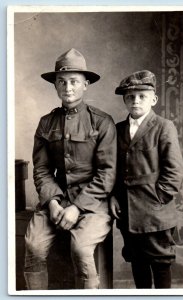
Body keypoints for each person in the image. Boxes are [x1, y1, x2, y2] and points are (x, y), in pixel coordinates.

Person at [24, 48, 117, 290]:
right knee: (33, 245)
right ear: (55, 85)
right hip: (56, 200)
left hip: (93, 203)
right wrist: (54, 203)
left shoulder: (101, 122)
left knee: (80, 247)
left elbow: (107, 174)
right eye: (61, 82)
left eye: (74, 81)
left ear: (85, 84)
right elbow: (42, 170)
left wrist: (77, 207)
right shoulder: (46, 123)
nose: (68, 87)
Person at [110, 70, 183, 289]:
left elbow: (174, 172)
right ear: (124, 100)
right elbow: (112, 169)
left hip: (155, 212)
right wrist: (114, 196)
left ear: (154, 99)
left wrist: (157, 199)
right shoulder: (118, 130)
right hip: (128, 212)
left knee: (160, 263)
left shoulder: (163, 127)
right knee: (137, 262)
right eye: (130, 96)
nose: (136, 101)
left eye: (142, 96)